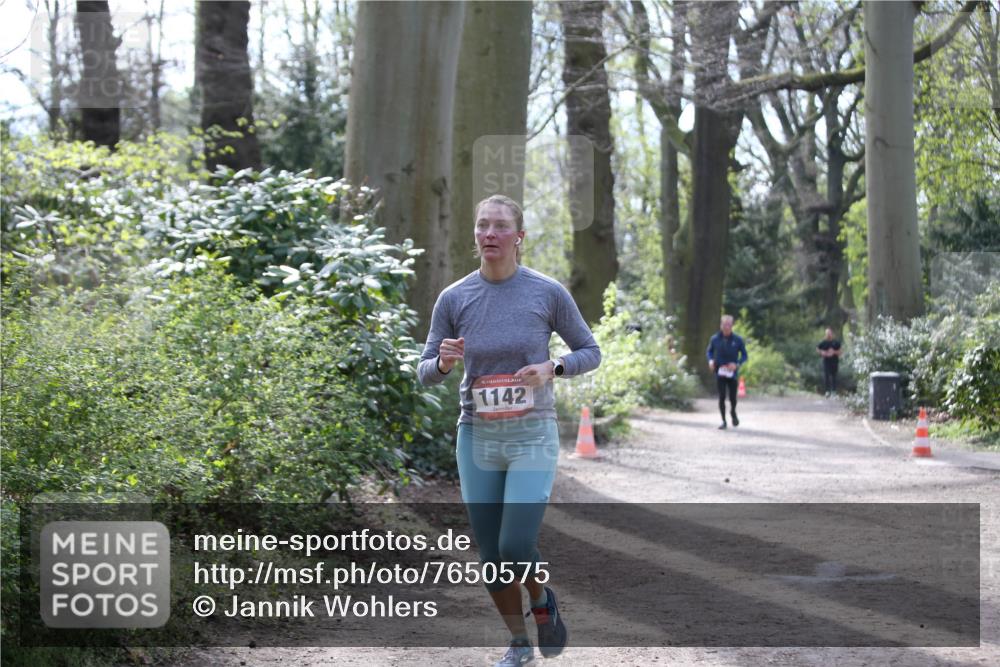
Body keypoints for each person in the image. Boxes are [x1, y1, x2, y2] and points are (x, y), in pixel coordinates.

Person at [418, 195, 601, 666]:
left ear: (519, 237)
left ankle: (541, 601)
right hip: (477, 435)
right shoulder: (455, 297)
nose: (490, 234)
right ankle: (519, 643)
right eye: (482, 226)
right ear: (475, 235)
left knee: (516, 544)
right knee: (493, 556)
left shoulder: (546, 292)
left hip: (531, 433)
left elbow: (589, 350)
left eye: (500, 227)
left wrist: (553, 368)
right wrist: (442, 362)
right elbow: (424, 371)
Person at [706, 315, 748, 430]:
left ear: (732, 326)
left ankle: (733, 413)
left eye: (728, 325)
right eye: (724, 324)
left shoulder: (737, 340)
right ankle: (723, 421)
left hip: (732, 372)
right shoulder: (715, 339)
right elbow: (709, 352)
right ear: (721, 325)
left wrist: (737, 364)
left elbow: (744, 355)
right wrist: (710, 361)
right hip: (720, 371)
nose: (726, 327)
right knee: (722, 396)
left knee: (733, 398)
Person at [816, 327, 843, 396]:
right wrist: (823, 352)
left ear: (832, 334)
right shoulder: (823, 342)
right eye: (827, 333)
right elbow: (818, 349)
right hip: (826, 362)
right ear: (825, 334)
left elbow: (840, 352)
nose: (828, 335)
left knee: (834, 376)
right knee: (826, 376)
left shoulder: (836, 342)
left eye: (829, 333)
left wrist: (834, 352)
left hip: (834, 362)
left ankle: (834, 391)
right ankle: (827, 391)